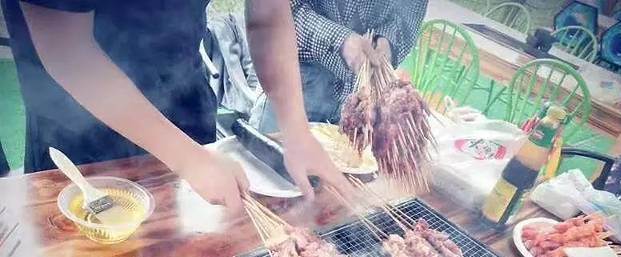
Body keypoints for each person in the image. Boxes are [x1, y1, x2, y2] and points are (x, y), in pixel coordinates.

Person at [2, 0, 350, 215]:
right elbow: (67, 51)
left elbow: (267, 15)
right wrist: (187, 158)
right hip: (81, 129)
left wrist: (296, 131)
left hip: (183, 101)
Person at [250, 0, 428, 133]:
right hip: (295, 83)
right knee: (266, 165)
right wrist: (340, 40)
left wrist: (388, 40)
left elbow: (409, 14)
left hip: (354, 99)